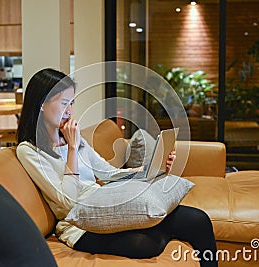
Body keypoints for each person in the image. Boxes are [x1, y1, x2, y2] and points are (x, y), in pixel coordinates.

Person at [16, 68, 218, 266]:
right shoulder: (29, 151)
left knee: (198, 220)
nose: (69, 111)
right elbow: (68, 201)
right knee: (147, 243)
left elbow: (108, 173)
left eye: (72, 103)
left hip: (108, 207)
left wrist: (149, 169)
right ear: (42, 104)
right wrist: (71, 149)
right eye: (63, 103)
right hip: (80, 226)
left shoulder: (74, 138)